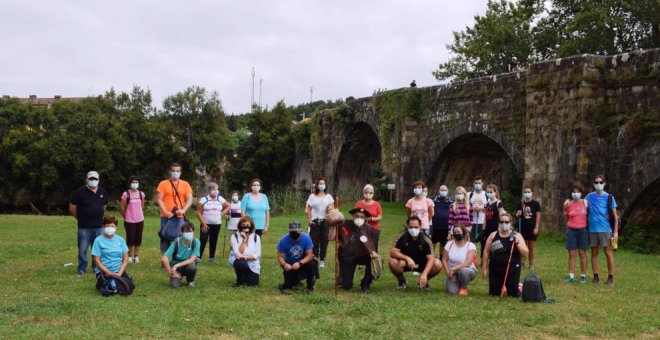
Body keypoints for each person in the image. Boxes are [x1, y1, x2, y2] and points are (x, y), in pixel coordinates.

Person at [69, 170, 108, 277]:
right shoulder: (79, 192)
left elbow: (104, 206)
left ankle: (96, 268)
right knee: (83, 249)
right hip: (84, 227)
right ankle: (82, 268)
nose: (93, 180)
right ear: (86, 179)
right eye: (91, 178)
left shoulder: (102, 192)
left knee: (98, 249)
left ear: (98, 180)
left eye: (95, 179)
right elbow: (72, 208)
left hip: (99, 227)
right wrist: (80, 217)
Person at [389, 216, 443, 291]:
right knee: (393, 262)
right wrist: (407, 258)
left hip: (422, 263)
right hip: (406, 263)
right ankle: (401, 281)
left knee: (438, 264)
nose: (413, 229)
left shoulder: (426, 239)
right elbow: (393, 252)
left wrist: (425, 274)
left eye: (416, 227)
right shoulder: (402, 236)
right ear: (407, 227)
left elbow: (431, 258)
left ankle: (424, 281)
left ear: (420, 227)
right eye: (411, 227)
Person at [482, 213, 528, 297]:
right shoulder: (493, 235)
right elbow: (486, 252)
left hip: (512, 269)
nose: (504, 224)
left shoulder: (516, 235)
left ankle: (518, 286)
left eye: (506, 222)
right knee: (494, 294)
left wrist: (517, 243)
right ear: (499, 223)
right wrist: (484, 269)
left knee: (513, 295)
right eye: (501, 222)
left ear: (510, 223)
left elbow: (525, 253)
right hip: (495, 269)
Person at [585, 175, 618, 286]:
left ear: (604, 183)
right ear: (594, 184)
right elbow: (581, 205)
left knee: (608, 253)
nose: (598, 184)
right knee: (594, 253)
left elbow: (615, 216)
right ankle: (596, 276)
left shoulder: (609, 197)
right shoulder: (589, 197)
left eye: (600, 182)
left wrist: (615, 232)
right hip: (592, 229)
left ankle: (611, 277)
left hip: (606, 229)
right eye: (596, 182)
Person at [338, 207, 380, 293]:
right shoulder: (343, 225)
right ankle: (343, 277)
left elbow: (374, 248)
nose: (359, 219)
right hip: (348, 256)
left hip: (363, 255)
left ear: (366, 219)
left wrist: (374, 254)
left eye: (362, 217)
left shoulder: (372, 230)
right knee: (347, 286)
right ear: (353, 216)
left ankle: (365, 284)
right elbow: (331, 237)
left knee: (374, 260)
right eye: (357, 216)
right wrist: (333, 224)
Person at [157, 163, 193, 258]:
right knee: (164, 237)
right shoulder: (163, 184)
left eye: (177, 171)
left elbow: (190, 199)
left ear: (180, 172)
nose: (175, 173)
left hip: (179, 216)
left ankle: (177, 258)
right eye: (173, 171)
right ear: (169, 171)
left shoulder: (185, 184)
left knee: (180, 238)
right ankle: (164, 259)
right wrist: (166, 212)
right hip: (166, 216)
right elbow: (159, 199)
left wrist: (183, 210)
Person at [91, 215, 130, 294]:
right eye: (107, 226)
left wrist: (120, 273)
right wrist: (109, 272)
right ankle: (101, 283)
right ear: (103, 227)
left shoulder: (121, 239)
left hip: (118, 270)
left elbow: (125, 258)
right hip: (104, 272)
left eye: (112, 226)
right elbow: (96, 261)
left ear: (116, 227)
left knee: (128, 287)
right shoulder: (98, 241)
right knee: (110, 289)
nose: (109, 228)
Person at [277, 221, 317, 294]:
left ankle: (310, 286)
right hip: (290, 264)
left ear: (300, 231)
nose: (294, 234)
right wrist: (284, 264)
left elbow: (310, 255)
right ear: (289, 231)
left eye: (296, 231)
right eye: (292, 232)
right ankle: (296, 281)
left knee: (312, 264)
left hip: (304, 263)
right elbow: (280, 257)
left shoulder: (307, 238)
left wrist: (300, 263)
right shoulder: (283, 240)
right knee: (289, 284)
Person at [197, 182, 230, 264]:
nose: (216, 191)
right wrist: (203, 224)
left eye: (217, 189)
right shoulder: (203, 199)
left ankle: (212, 258)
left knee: (213, 240)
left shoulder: (220, 199)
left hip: (217, 224)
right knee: (203, 240)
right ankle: (198, 257)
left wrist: (222, 213)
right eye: (214, 189)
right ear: (209, 190)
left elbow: (228, 206)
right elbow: (199, 213)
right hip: (206, 224)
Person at [306, 178, 335, 268]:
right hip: (315, 220)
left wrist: (330, 209)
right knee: (314, 241)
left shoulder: (328, 196)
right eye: (320, 183)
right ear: (317, 185)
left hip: (325, 221)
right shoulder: (312, 196)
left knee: (324, 241)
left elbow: (332, 209)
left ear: (325, 185)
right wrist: (309, 220)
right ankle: (314, 259)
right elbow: (308, 209)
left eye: (323, 183)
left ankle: (322, 259)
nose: (322, 185)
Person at [442, 223, 478, 295]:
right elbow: (444, 259)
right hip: (452, 271)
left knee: (463, 271)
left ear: (463, 232)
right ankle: (457, 282)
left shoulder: (470, 245)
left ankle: (463, 288)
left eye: (458, 232)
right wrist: (448, 272)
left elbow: (467, 263)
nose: (456, 234)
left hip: (467, 269)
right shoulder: (449, 244)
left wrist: (453, 269)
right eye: (455, 232)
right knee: (452, 291)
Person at [162, 222, 200, 288]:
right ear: (182, 232)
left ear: (193, 232)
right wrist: (170, 271)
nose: (188, 233)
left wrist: (176, 265)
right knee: (175, 286)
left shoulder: (196, 242)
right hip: (177, 268)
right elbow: (165, 257)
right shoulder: (176, 241)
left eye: (190, 231)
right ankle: (177, 278)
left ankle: (190, 280)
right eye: (186, 231)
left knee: (192, 267)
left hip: (187, 265)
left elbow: (192, 259)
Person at [563, 185, 589, 284]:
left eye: (578, 192)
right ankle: (571, 275)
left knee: (582, 254)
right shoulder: (568, 204)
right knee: (571, 254)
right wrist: (569, 227)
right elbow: (566, 216)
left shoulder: (585, 203)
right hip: (571, 230)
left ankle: (583, 276)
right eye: (574, 192)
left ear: (581, 193)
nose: (576, 194)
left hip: (582, 230)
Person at [229, 216, 261, 287]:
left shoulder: (256, 237)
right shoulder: (234, 237)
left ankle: (246, 276)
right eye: (243, 225)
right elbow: (238, 254)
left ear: (251, 226)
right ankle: (239, 279)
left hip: (252, 262)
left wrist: (245, 257)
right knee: (240, 263)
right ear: (239, 226)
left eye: (247, 225)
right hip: (239, 261)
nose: (245, 227)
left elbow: (257, 255)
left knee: (252, 283)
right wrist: (244, 240)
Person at [120, 175, 145, 264]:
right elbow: (122, 207)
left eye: (136, 182)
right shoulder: (126, 194)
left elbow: (142, 206)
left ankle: (136, 256)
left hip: (140, 219)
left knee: (138, 238)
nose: (135, 184)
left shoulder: (141, 194)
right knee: (130, 238)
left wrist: (138, 214)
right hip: (129, 220)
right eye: (133, 182)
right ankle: (130, 256)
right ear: (130, 183)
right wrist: (126, 216)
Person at [516, 187, 541, 270]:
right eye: (525, 192)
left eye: (528, 192)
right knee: (523, 246)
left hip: (532, 227)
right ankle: (522, 263)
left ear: (532, 193)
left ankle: (531, 264)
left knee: (531, 247)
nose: (527, 193)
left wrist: (536, 227)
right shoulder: (521, 204)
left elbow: (538, 216)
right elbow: (517, 215)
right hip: (522, 227)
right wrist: (518, 214)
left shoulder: (535, 204)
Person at [482, 184, 506, 260]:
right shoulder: (486, 204)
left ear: (495, 192)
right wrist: (483, 230)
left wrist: (499, 228)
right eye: (487, 192)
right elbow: (485, 218)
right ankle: (485, 259)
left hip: (496, 227)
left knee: (495, 244)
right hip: (488, 227)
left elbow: (501, 215)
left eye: (491, 192)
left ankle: (496, 258)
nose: (489, 193)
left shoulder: (498, 203)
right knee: (486, 244)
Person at [431, 185, 452, 257]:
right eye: (442, 190)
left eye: (445, 190)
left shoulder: (451, 201)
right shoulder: (433, 199)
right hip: (434, 226)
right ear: (439, 191)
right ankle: (432, 258)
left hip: (445, 227)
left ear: (448, 191)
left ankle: (441, 258)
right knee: (432, 243)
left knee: (443, 244)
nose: (443, 192)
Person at [469, 176, 487, 244]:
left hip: (483, 222)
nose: (477, 185)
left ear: (482, 183)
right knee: (471, 242)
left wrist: (482, 208)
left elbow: (490, 208)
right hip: (472, 222)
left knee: (483, 242)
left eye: (479, 183)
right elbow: (466, 207)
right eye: (476, 183)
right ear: (474, 183)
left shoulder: (486, 194)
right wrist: (472, 208)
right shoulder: (470, 194)